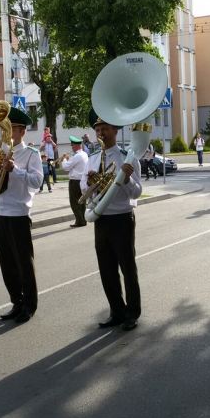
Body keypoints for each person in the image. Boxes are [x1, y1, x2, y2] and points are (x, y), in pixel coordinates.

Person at [81, 109, 142, 331]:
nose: (101, 133)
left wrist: (126, 178)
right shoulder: (93, 158)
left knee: (128, 267)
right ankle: (116, 310)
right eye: (97, 130)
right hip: (101, 218)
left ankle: (132, 313)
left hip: (122, 218)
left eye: (105, 128)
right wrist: (90, 183)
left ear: (115, 130)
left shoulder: (128, 156)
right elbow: (82, 187)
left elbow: (137, 192)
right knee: (106, 269)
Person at [0, 103, 44, 324]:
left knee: (23, 262)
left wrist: (14, 170)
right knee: (7, 262)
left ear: (22, 131)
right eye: (3, 129)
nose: (5, 132)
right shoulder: (0, 152)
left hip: (17, 212)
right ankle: (16, 302)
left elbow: (37, 182)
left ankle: (29, 305)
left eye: (10, 128)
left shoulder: (30, 154)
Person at [60, 135, 88, 227]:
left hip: (75, 181)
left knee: (74, 202)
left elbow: (66, 167)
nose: (71, 147)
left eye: (72, 145)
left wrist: (63, 159)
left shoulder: (76, 156)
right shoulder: (84, 154)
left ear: (75, 146)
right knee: (82, 201)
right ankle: (83, 219)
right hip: (82, 180)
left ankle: (80, 221)